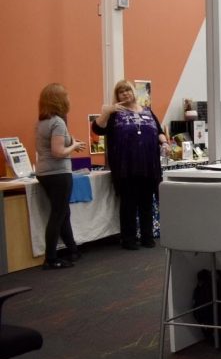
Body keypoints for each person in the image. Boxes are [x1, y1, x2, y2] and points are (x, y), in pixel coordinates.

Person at [91, 80, 169, 250]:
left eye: (127, 90)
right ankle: (129, 239)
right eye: (121, 92)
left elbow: (160, 132)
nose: (125, 93)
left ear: (134, 91)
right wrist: (106, 112)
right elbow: (97, 129)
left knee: (147, 202)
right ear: (117, 96)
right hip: (126, 166)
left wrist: (164, 143)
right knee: (128, 203)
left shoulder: (148, 111)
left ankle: (147, 237)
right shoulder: (115, 113)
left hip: (149, 165)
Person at [35, 83, 86, 269]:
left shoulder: (43, 122)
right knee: (58, 214)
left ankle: (72, 250)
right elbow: (58, 152)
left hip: (44, 172)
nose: (69, 99)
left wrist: (71, 142)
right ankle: (51, 258)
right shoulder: (57, 122)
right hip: (58, 173)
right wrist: (72, 147)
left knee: (63, 212)